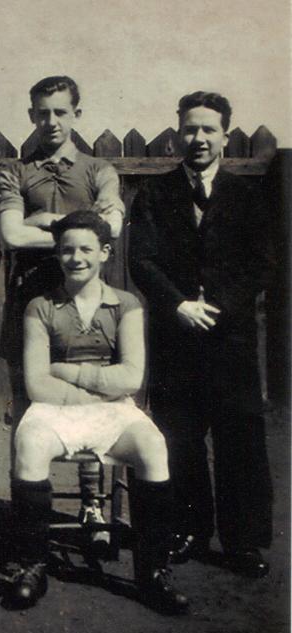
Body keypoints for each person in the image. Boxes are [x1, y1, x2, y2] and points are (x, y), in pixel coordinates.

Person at [8, 210, 188, 615]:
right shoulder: (40, 306)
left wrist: (66, 371)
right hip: (55, 409)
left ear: (105, 252)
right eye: (67, 250)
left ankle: (153, 572)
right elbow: (37, 383)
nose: (76, 258)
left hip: (112, 410)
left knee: (152, 444)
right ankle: (31, 566)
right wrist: (95, 387)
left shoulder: (127, 304)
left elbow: (131, 378)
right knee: (30, 442)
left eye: (86, 249)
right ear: (57, 254)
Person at [128, 92, 275, 577]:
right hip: (175, 337)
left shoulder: (247, 197)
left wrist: (219, 306)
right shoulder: (154, 194)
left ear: (225, 137)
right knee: (180, 437)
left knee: (240, 436)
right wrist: (178, 305)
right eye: (191, 129)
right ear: (177, 133)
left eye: (209, 130)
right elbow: (141, 261)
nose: (199, 139)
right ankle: (188, 528)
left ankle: (244, 542)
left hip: (230, 338)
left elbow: (261, 264)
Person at [0, 75, 125, 550]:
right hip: (29, 300)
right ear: (31, 115)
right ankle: (26, 503)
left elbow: (109, 226)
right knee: (29, 402)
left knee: (90, 396)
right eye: (42, 112)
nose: (51, 121)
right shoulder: (16, 172)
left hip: (86, 306)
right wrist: (74, 231)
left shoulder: (98, 170)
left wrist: (43, 223)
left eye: (60, 112)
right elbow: (10, 235)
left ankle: (92, 504)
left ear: (76, 114)